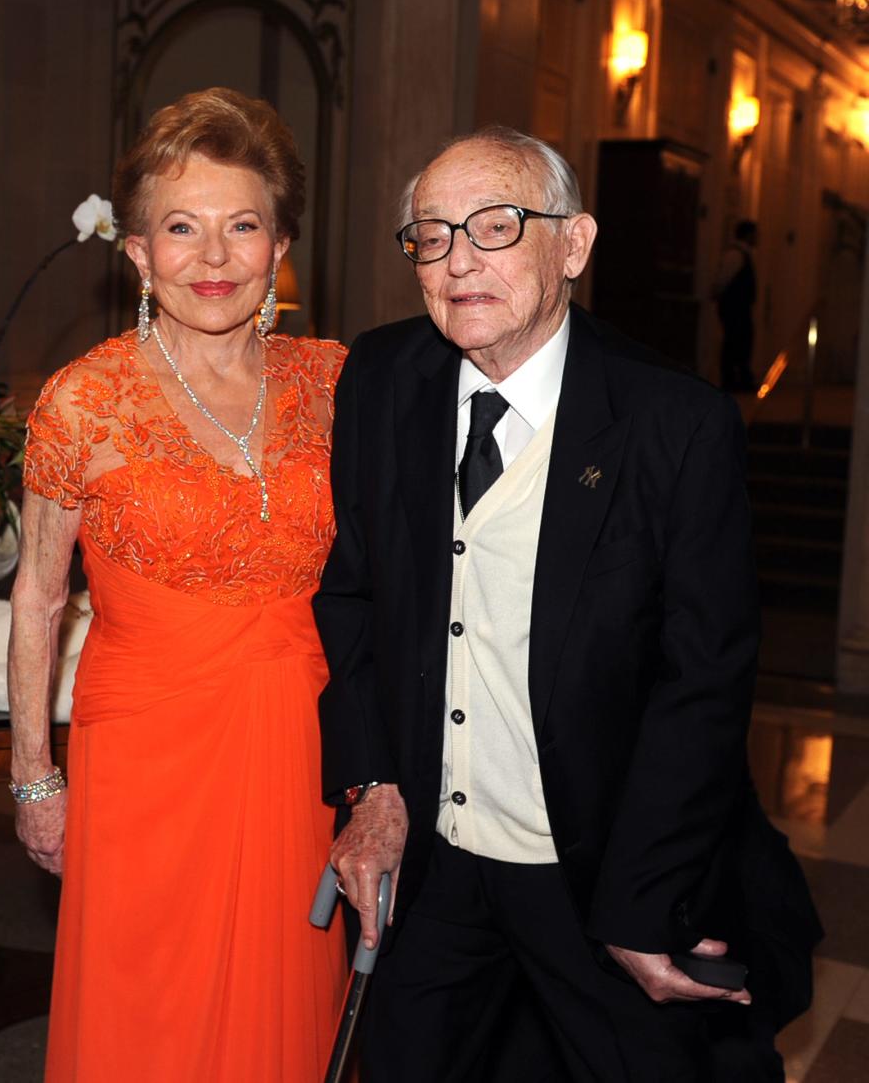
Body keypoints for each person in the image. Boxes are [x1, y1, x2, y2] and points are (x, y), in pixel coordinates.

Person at [314, 128, 820, 1081]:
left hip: (594, 872)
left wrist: (641, 896)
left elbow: (703, 681)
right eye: (431, 235)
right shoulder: (383, 380)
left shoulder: (674, 423)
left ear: (574, 245)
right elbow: (353, 600)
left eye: (495, 227)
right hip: (433, 863)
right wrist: (372, 785)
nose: (459, 260)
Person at [8, 87, 347, 1082]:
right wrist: (35, 775)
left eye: (242, 225)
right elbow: (37, 597)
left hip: (302, 750)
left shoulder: (338, 384)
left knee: (287, 1010)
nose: (214, 257)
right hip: (143, 760)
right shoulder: (84, 400)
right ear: (139, 253)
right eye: (182, 228)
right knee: (143, 1016)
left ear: (281, 245)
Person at [714, 218, 758, 392]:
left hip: (740, 307)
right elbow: (722, 279)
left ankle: (740, 379)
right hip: (734, 308)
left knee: (742, 342)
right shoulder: (736, 254)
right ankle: (732, 380)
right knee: (734, 342)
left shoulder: (744, 254)